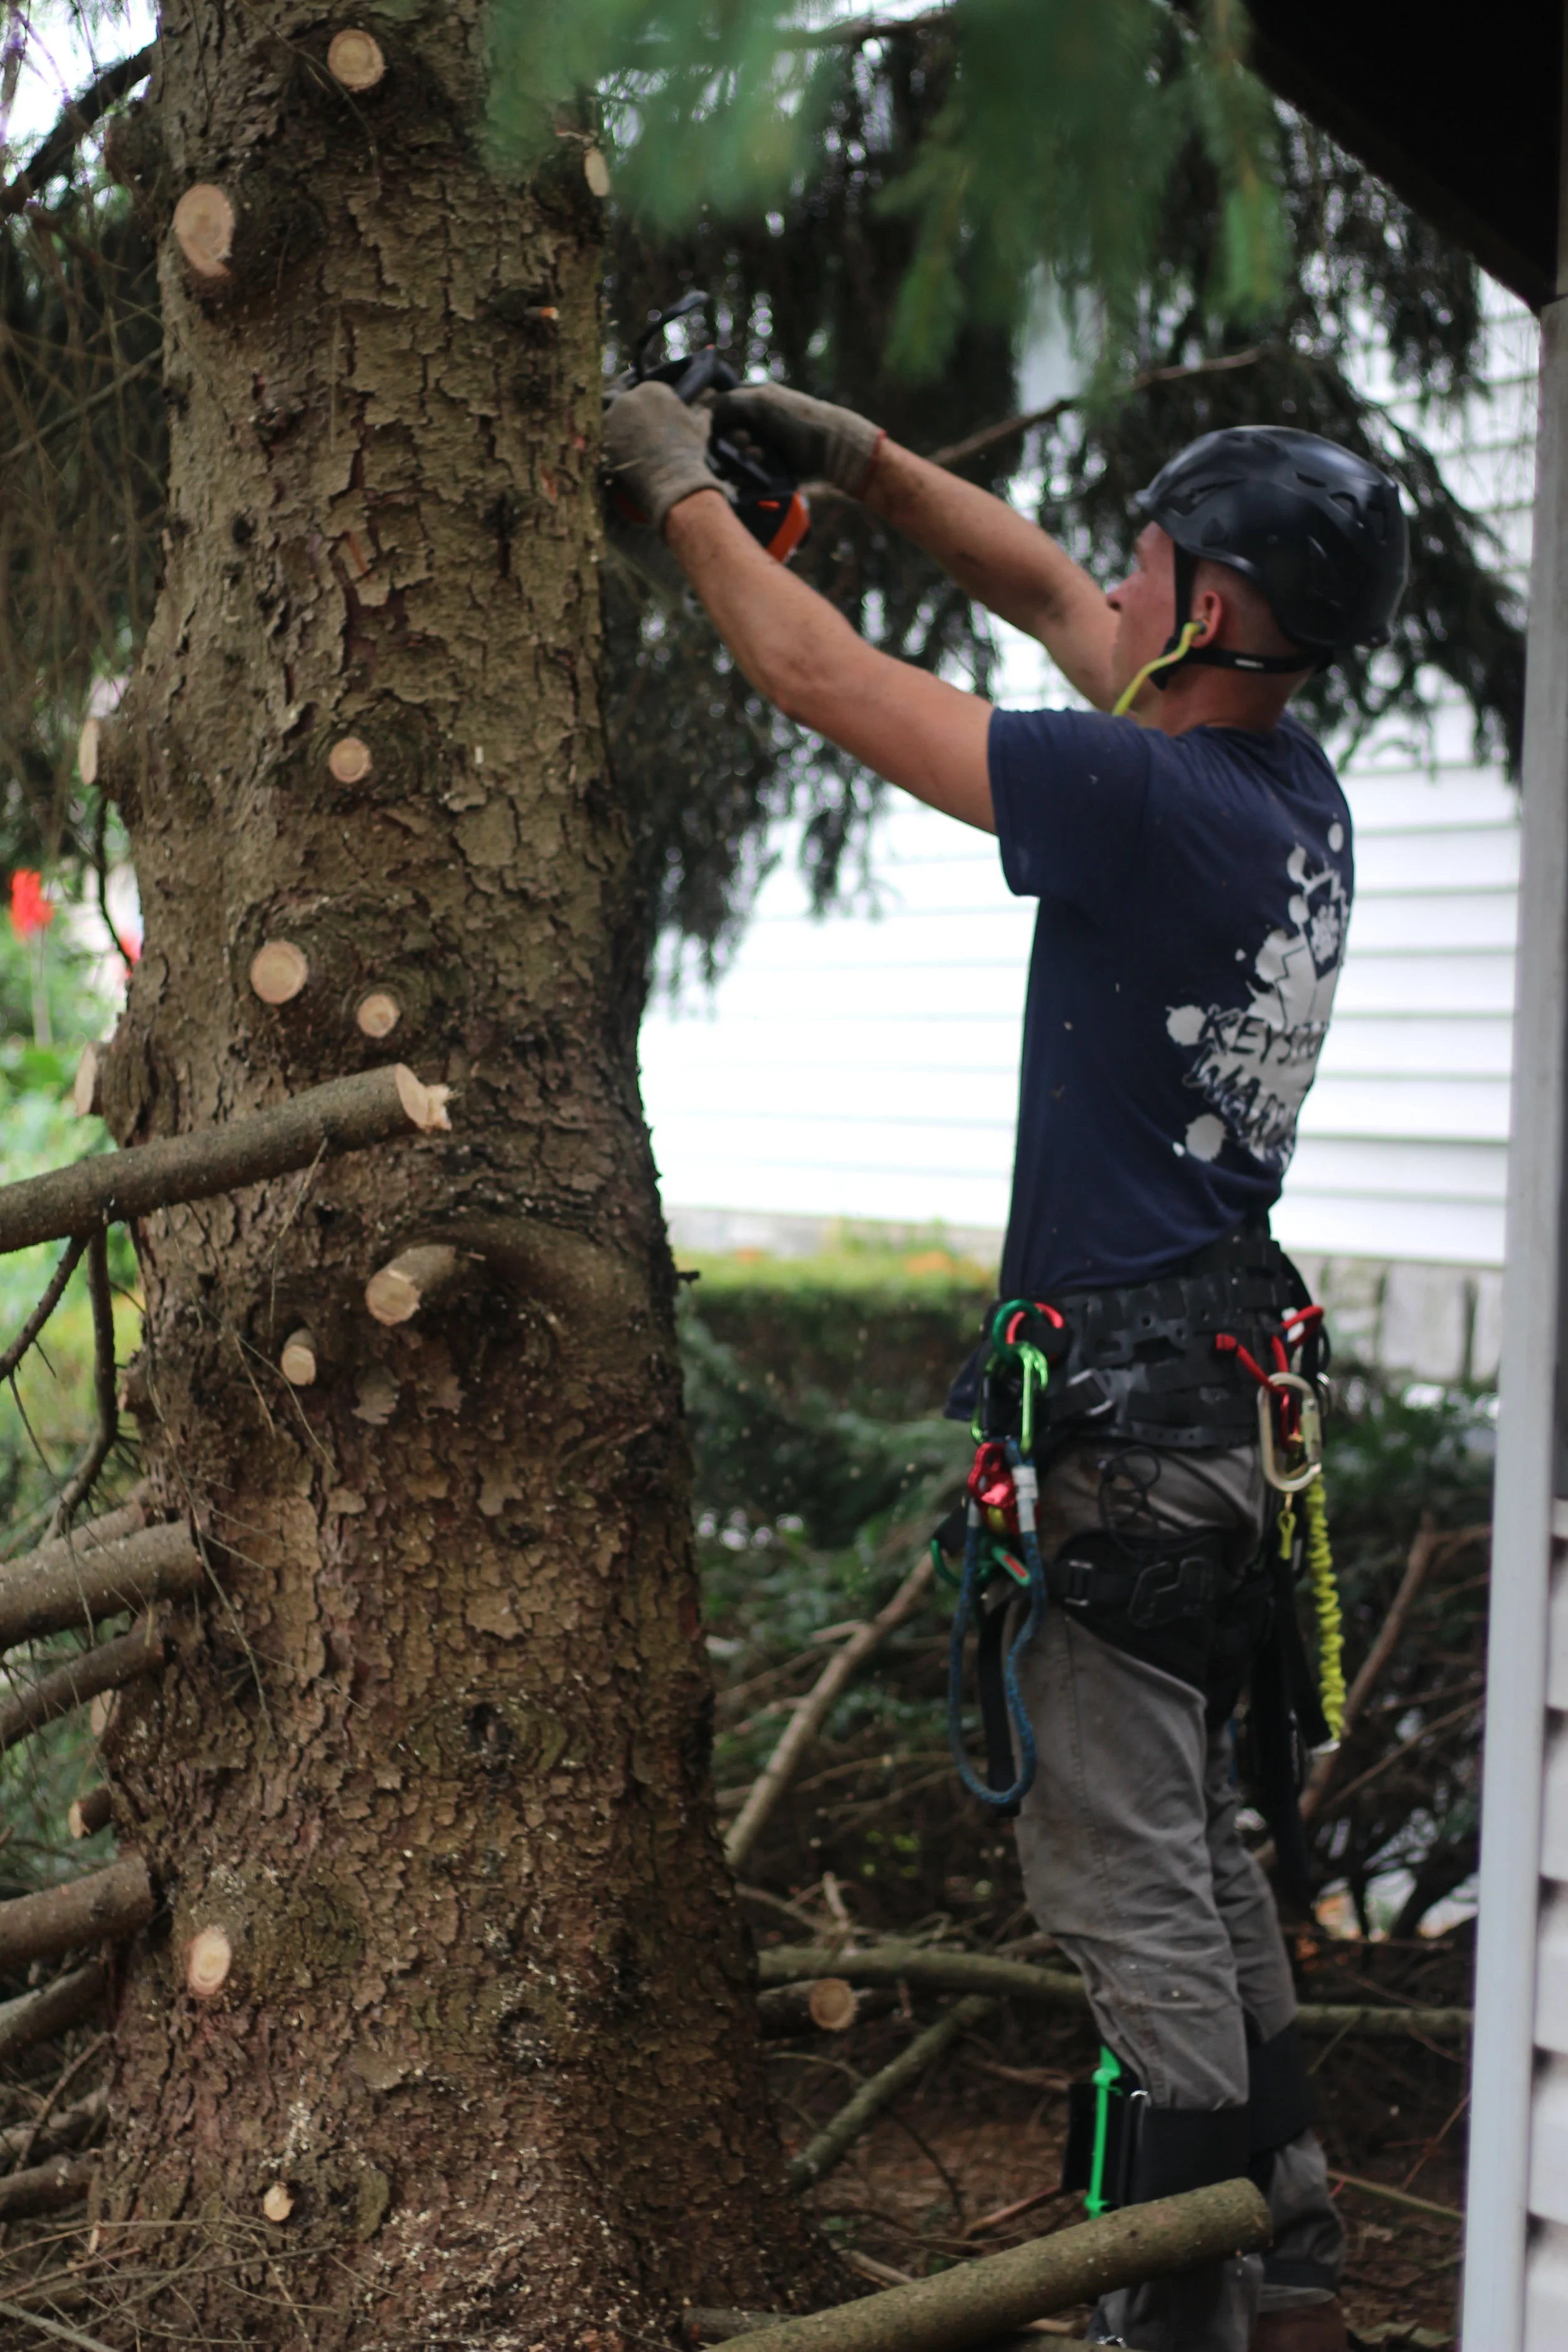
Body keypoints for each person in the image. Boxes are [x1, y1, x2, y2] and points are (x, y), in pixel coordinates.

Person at [605, 375, 1410, 2352]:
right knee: (1202, 1867)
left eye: (1150, 573)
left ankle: (1177, 2310)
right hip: (1220, 1411)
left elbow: (823, 677)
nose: (1107, 590)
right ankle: (1289, 2253)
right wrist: (856, 460)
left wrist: (686, 493)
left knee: (1130, 1902)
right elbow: (1040, 576)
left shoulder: (1134, 797)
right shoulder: (1279, 790)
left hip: (1123, 1445)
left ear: (1208, 618)